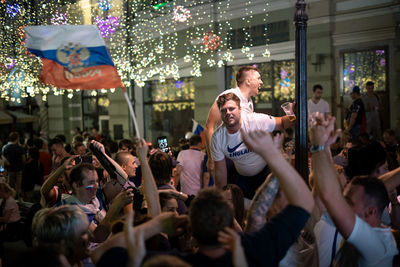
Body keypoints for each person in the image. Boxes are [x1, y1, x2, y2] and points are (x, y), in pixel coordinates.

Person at [310, 114, 398, 266]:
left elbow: (330, 195)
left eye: (348, 201)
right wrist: (324, 147)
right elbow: (329, 192)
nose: (342, 203)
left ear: (371, 212)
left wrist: (318, 145)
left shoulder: (377, 246)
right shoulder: (363, 220)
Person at [210, 92, 294, 199]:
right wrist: (220, 199)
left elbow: (282, 123)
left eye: (231, 109)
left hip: (265, 172)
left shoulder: (254, 121)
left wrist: (294, 113)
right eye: (223, 110)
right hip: (241, 178)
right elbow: (220, 173)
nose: (228, 113)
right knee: (241, 209)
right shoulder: (217, 138)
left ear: (240, 109)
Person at [204, 66, 263, 174]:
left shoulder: (249, 102)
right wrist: (212, 159)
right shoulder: (227, 97)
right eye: (258, 78)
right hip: (226, 157)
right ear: (248, 81)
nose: (261, 82)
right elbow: (209, 127)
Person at [1, 132, 26, 198]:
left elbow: (3, 160)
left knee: (10, 187)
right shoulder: (20, 148)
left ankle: (11, 199)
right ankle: (19, 200)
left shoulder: (5, 147)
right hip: (18, 170)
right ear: (17, 138)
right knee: (18, 188)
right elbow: (24, 160)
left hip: (9, 171)